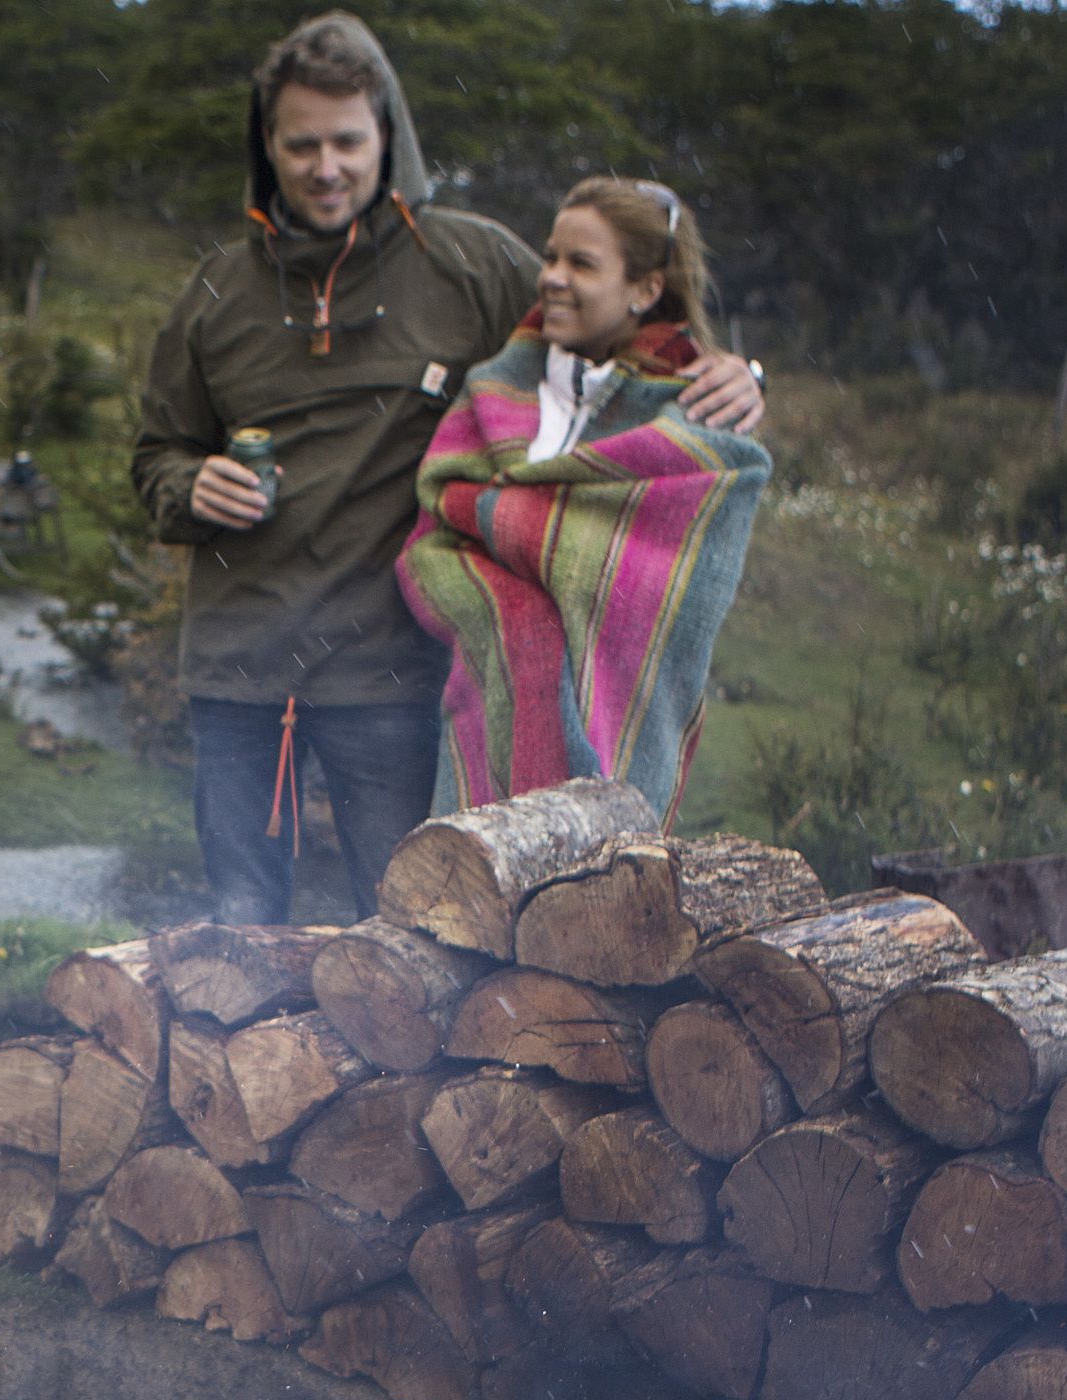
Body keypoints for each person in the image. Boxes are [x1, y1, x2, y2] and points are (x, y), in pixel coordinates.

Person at [131, 13, 765, 925]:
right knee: (240, 929)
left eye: (348, 141)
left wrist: (739, 369)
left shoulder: (472, 264)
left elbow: (619, 323)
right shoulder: (216, 294)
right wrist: (187, 488)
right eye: (299, 144)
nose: (325, 167)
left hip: (388, 675)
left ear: (387, 136)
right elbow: (156, 455)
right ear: (266, 147)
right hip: (238, 672)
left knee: (411, 932)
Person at [400, 178, 774, 822]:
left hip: (606, 729)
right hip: (443, 709)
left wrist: (529, 538)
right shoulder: (494, 387)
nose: (552, 278)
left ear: (646, 289)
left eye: (582, 264)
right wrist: (523, 613)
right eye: (551, 257)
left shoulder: (691, 414)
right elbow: (435, 529)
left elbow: (665, 591)